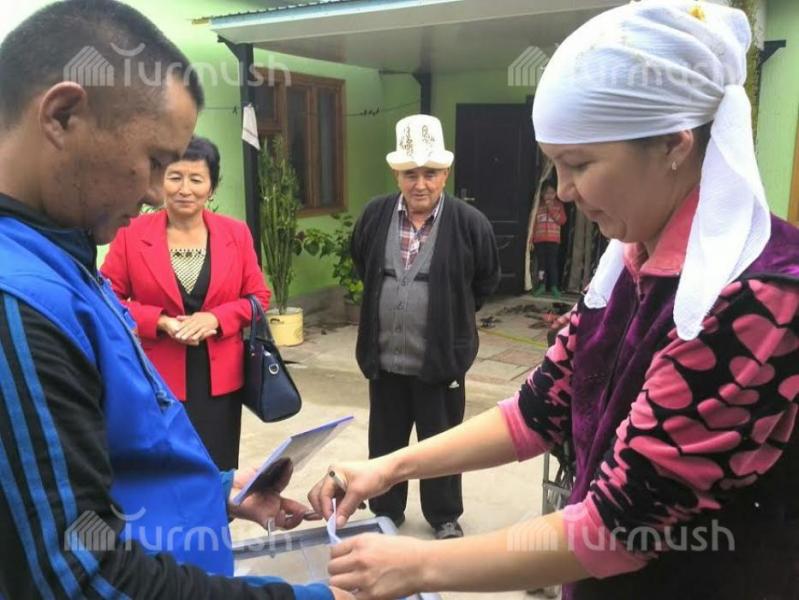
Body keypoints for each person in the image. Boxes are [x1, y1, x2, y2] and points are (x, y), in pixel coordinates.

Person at [309, 2, 799, 599]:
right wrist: (388, 466)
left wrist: (420, 566)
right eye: (556, 166)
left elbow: (617, 527)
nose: (563, 192)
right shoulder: (627, 262)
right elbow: (538, 410)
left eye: (580, 164)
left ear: (674, 145)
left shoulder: (758, 299)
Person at [0, 1, 350, 598]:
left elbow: (117, 459)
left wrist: (216, 490)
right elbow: (85, 575)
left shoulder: (63, 252)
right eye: (156, 162)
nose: (153, 190)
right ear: (62, 116)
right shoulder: (19, 305)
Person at [350, 114, 501, 539]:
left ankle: (444, 514)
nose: (420, 184)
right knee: (385, 441)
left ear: (445, 174)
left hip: (441, 361)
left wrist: (450, 316)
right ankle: (385, 511)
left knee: (443, 442)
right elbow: (362, 262)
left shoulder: (470, 223)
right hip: (385, 360)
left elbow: (485, 281)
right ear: (396, 175)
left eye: (430, 173)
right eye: (410, 174)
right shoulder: (375, 215)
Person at [101, 136, 268, 470]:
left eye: (196, 179)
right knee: (166, 469)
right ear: (159, 181)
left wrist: (216, 319)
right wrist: (159, 321)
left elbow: (258, 298)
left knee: (218, 468)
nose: (184, 189)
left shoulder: (235, 234)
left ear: (212, 187)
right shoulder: (131, 233)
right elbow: (106, 296)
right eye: (175, 177)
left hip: (220, 380)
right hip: (156, 376)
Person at [531, 180, 567, 298]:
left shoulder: (558, 205)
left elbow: (562, 221)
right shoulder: (538, 205)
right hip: (539, 240)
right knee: (541, 265)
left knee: (552, 264)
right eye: (547, 193)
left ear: (556, 193)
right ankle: (542, 285)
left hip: (553, 240)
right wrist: (531, 238)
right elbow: (533, 223)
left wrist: (551, 208)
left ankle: (554, 287)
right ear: (542, 193)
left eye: (552, 193)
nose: (549, 196)